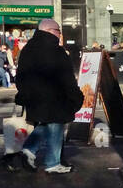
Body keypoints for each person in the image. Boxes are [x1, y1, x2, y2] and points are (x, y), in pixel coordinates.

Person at [15, 18, 85, 174]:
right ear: (49, 31)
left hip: (34, 98)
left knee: (46, 125)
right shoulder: (56, 51)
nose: (59, 34)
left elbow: (20, 76)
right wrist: (76, 95)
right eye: (58, 31)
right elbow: (67, 78)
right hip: (56, 98)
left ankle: (29, 150)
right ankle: (52, 162)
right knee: (56, 125)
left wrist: (26, 93)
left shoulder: (27, 49)